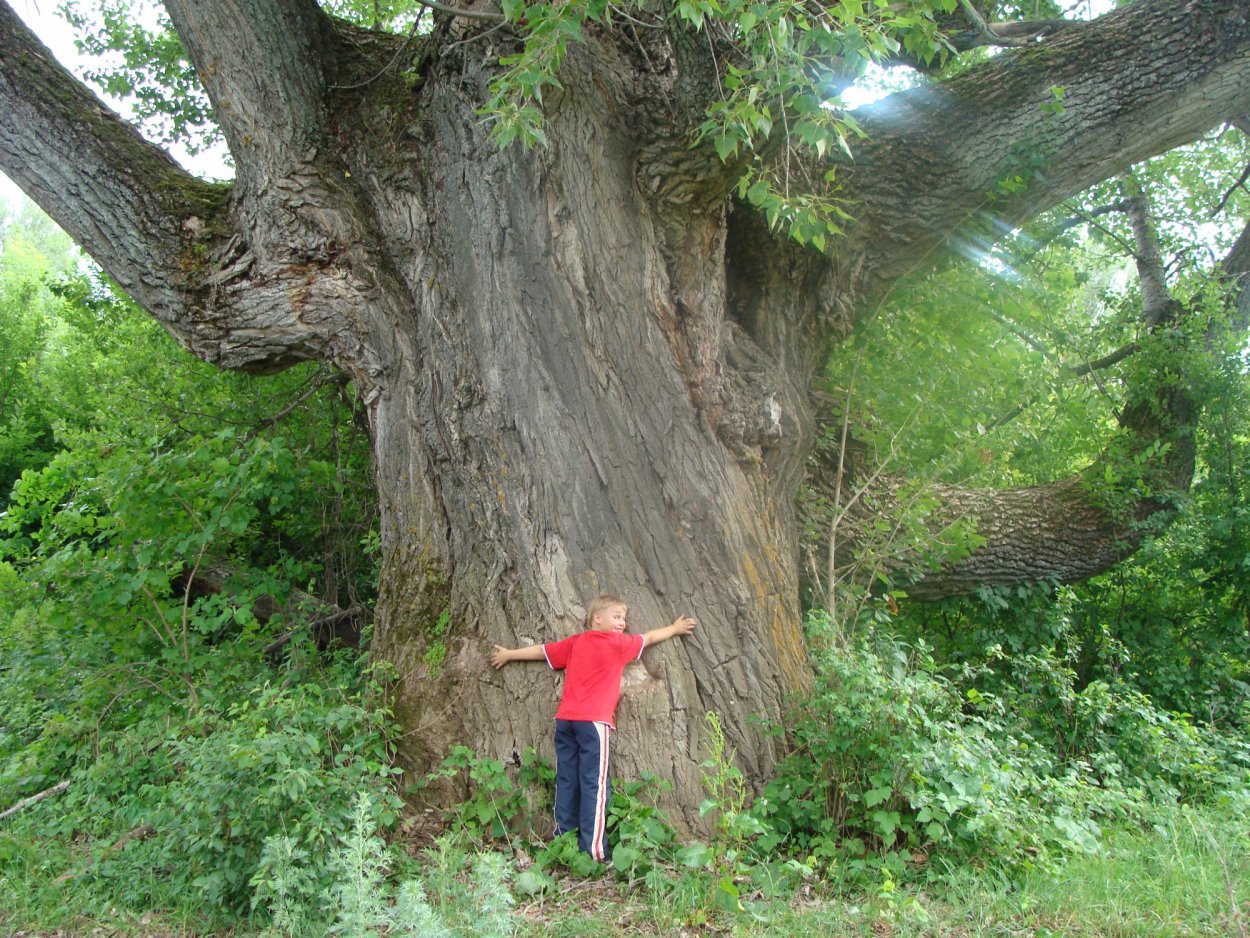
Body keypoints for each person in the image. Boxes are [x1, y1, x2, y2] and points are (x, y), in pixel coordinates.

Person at [490, 594, 696, 862]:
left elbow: (543, 651)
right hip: (593, 723)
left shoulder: (576, 643)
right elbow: (650, 638)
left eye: (624, 618)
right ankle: (594, 852)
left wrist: (509, 655)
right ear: (596, 617)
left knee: (567, 780)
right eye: (617, 616)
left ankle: (563, 840)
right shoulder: (617, 644)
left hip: (566, 721)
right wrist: (675, 628)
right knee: (594, 785)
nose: (622, 623)